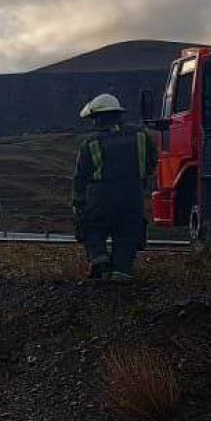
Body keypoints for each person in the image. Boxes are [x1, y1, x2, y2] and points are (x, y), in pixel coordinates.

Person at [71, 93, 157, 283]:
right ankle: (122, 272)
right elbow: (152, 162)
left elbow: (80, 177)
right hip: (133, 195)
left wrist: (78, 204)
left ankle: (99, 262)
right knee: (127, 233)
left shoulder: (91, 142)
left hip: (101, 196)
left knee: (91, 227)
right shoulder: (141, 136)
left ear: (99, 117)